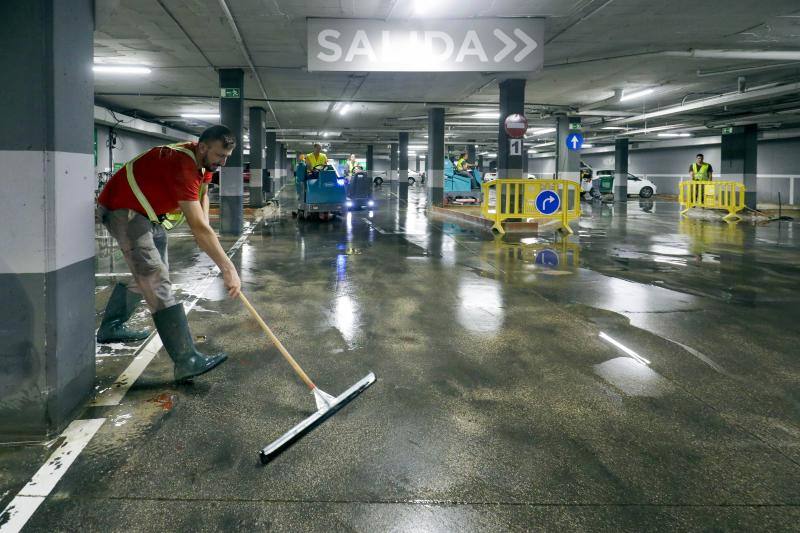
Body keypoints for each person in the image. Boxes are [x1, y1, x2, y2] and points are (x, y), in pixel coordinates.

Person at [96, 125, 242, 382]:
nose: (223, 161)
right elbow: (196, 226)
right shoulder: (182, 165)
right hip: (124, 210)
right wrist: (228, 269)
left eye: (227, 156)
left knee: (144, 274)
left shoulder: (205, 164)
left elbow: (203, 194)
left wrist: (205, 224)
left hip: (148, 215)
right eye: (220, 155)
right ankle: (187, 360)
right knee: (154, 276)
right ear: (204, 147)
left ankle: (111, 326)